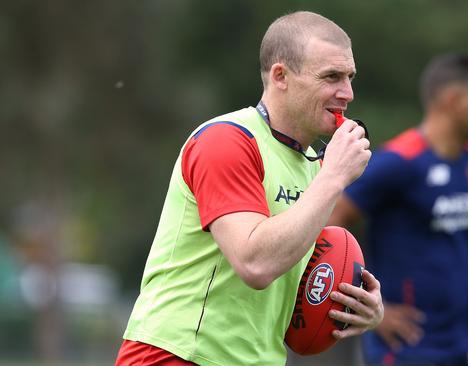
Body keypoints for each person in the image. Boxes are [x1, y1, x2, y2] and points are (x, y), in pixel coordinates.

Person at [114, 11, 383, 366]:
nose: (347, 93)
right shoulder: (227, 141)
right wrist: (333, 178)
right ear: (281, 76)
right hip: (176, 355)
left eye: (349, 77)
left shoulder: (314, 166)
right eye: (331, 77)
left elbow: (298, 284)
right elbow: (255, 264)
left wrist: (357, 306)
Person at [328, 54, 468, 365]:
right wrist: (363, 304)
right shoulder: (399, 162)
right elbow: (331, 216)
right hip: (406, 346)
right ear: (453, 100)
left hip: (464, 343)